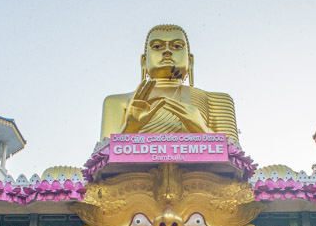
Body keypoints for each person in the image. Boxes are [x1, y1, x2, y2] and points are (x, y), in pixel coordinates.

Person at [100, 25, 238, 140]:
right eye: (157, 46)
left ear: (190, 60)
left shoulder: (216, 100)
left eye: (177, 46)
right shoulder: (118, 102)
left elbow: (236, 156)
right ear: (144, 61)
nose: (167, 51)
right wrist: (130, 128)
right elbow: (100, 158)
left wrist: (202, 129)